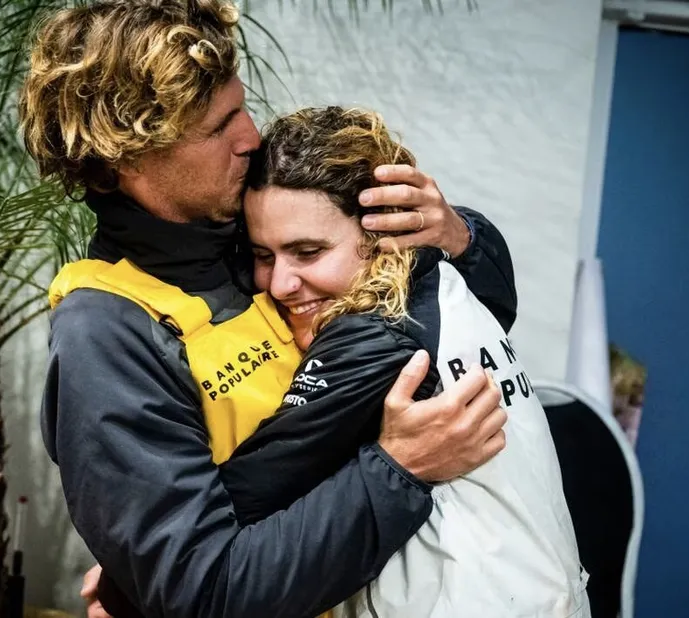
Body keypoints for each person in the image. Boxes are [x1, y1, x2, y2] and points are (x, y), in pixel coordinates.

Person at [18, 2, 515, 617]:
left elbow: (464, 319)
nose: (251, 137)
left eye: (242, 107)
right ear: (131, 157)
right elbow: (207, 592)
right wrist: (399, 469)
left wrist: (459, 236)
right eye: (218, 127)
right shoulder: (106, 335)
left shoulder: (252, 236)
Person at [211, 106, 592, 617]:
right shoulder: (443, 282)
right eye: (263, 256)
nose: (279, 283)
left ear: (382, 234)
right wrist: (465, 229)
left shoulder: (379, 335)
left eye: (308, 252)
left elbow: (246, 495)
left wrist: (133, 567)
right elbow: (496, 287)